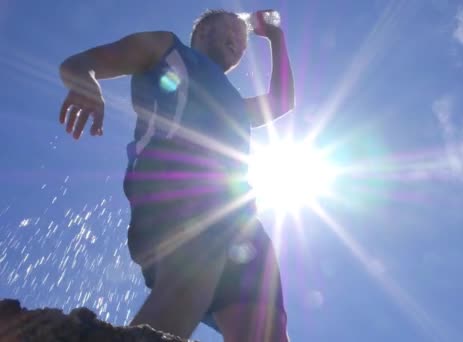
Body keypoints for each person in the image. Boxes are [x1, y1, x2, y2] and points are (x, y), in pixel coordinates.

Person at [58, 8, 294, 341]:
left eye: (242, 43)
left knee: (267, 330)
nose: (238, 43)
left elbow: (281, 101)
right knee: (189, 281)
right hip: (171, 189)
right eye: (231, 32)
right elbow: (80, 62)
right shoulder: (167, 48)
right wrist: (86, 84)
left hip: (238, 218)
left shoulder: (237, 104)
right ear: (202, 33)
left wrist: (276, 37)